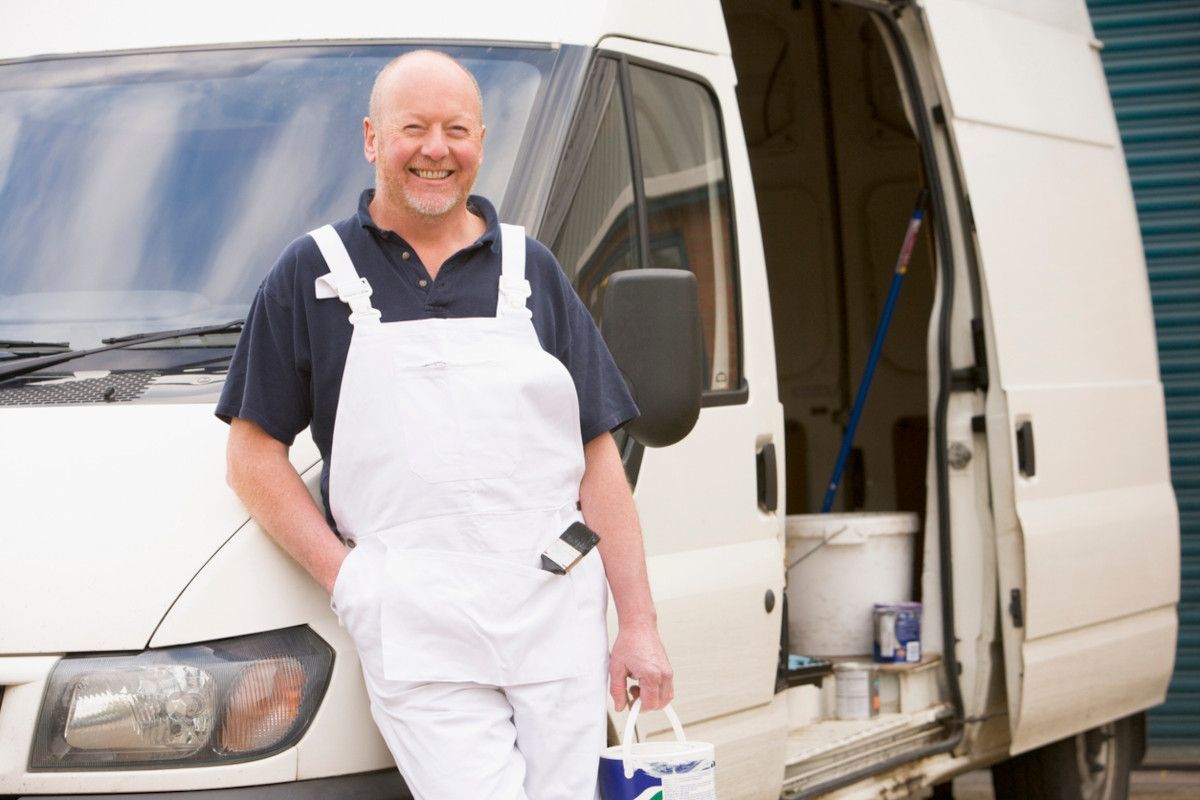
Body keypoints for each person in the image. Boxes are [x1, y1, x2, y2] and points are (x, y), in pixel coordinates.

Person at [216, 50, 673, 799]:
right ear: (372, 138)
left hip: (554, 617)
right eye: (414, 128)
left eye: (456, 129)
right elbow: (251, 456)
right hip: (417, 628)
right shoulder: (311, 272)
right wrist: (349, 578)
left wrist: (639, 624)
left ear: (481, 143)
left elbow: (598, 462)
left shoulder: (532, 271)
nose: (436, 149)